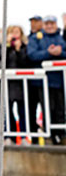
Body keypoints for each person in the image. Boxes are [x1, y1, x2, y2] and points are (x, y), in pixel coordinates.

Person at [28, 15, 66, 143]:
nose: (50, 26)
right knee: (48, 109)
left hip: (60, 81)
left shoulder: (61, 38)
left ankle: (62, 136)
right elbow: (32, 55)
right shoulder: (36, 38)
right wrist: (48, 52)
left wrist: (60, 53)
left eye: (52, 24)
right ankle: (50, 135)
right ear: (43, 25)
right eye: (47, 24)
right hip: (43, 83)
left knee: (61, 109)